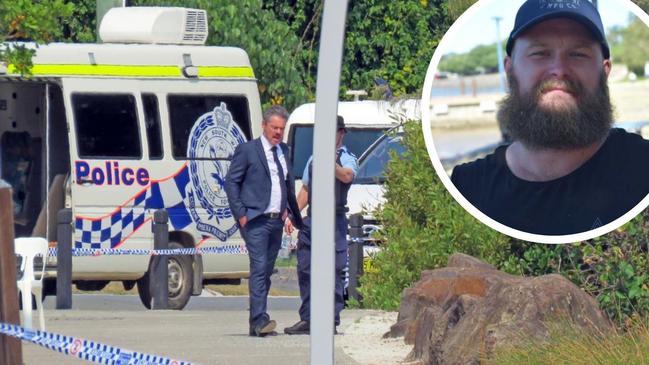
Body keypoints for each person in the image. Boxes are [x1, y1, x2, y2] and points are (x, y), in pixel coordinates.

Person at [451, 0, 649, 235]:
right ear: (510, 68)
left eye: (578, 54)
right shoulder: (468, 187)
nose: (558, 69)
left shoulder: (642, 168)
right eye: (539, 53)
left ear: (604, 70)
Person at [225, 105, 303, 337]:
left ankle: (257, 320)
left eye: (281, 128)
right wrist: (241, 214)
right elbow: (231, 183)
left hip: (276, 221)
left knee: (267, 270)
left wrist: (288, 211)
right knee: (259, 268)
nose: (278, 133)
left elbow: (285, 185)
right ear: (264, 126)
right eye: (274, 128)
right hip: (255, 220)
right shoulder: (248, 150)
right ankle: (260, 320)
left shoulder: (284, 151)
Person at [284, 116, 358, 335]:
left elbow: (347, 176)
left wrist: (329, 162)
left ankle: (330, 320)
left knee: (333, 271)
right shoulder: (313, 159)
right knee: (306, 269)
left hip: (334, 220)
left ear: (341, 133)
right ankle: (308, 318)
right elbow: (306, 190)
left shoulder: (347, 158)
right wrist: (292, 215)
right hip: (313, 219)